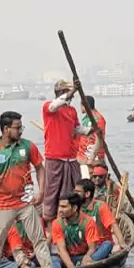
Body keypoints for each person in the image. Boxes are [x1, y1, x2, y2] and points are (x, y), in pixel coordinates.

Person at [0, 111, 54, 268]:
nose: (20, 131)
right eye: (17, 128)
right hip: (2, 205)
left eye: (21, 127)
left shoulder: (28, 146)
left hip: (26, 202)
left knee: (39, 240)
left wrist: (41, 192)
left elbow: (40, 169)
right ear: (6, 129)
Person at [42, 78, 89, 222]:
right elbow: (54, 106)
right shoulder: (48, 107)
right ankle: (50, 222)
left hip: (71, 158)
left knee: (72, 191)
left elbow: (76, 129)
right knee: (52, 192)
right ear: (62, 92)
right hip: (55, 158)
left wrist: (90, 130)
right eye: (70, 94)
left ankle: (70, 218)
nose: (72, 97)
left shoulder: (72, 111)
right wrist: (73, 90)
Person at [50, 193, 107, 268]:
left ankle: (84, 266)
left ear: (74, 208)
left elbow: (92, 248)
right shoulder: (57, 224)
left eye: (63, 207)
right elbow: (62, 250)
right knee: (53, 259)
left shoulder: (88, 222)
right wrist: (71, 267)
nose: (60, 210)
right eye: (59, 206)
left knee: (107, 244)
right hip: (67, 258)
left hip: (83, 257)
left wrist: (86, 257)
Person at [77, 179, 129, 259]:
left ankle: (89, 262)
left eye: (78, 192)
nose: (75, 194)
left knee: (108, 244)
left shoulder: (100, 206)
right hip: (85, 246)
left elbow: (113, 225)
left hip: (100, 245)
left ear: (87, 194)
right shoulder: (75, 208)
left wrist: (121, 243)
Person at [76, 96, 108, 181]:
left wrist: (92, 157)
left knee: (92, 181)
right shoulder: (87, 118)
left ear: (84, 106)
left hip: (93, 157)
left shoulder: (97, 119)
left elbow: (99, 139)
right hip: (83, 156)